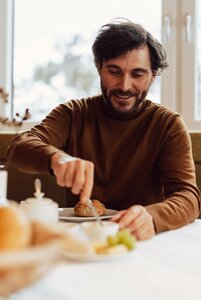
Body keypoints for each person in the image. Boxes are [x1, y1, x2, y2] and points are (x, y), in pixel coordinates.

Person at [7, 19, 200, 240]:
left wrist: (152, 217)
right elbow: (19, 147)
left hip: (142, 241)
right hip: (83, 241)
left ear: (153, 75)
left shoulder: (167, 124)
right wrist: (57, 159)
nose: (125, 86)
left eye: (137, 74)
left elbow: (188, 197)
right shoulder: (73, 113)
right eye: (114, 72)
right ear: (99, 67)